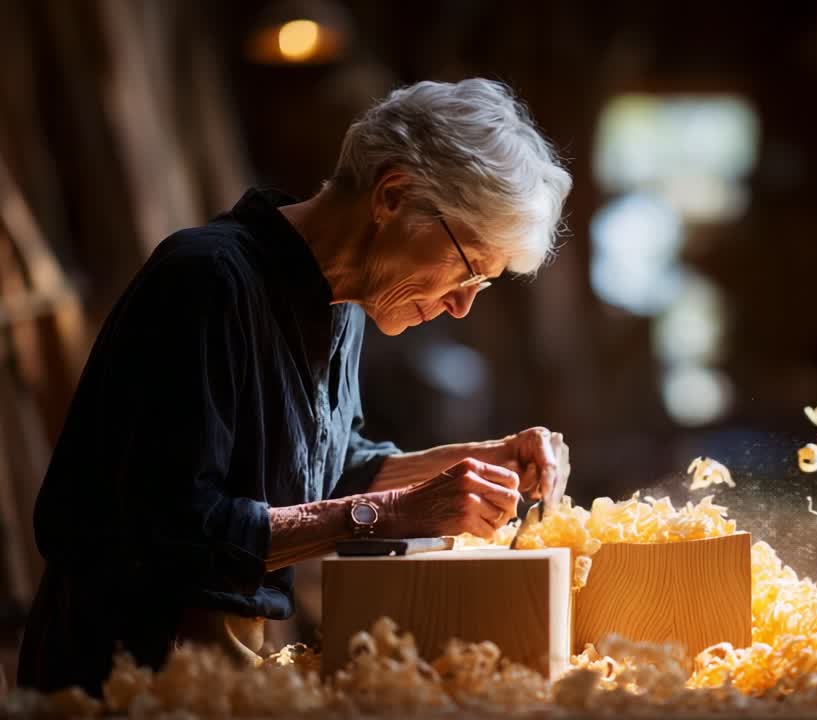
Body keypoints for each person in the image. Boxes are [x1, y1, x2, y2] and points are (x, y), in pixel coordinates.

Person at [16, 78, 572, 694]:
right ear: (393, 195)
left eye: (483, 285)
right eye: (468, 268)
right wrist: (389, 514)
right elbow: (170, 528)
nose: (462, 307)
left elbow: (335, 472)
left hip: (225, 666)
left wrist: (475, 462)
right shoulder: (206, 283)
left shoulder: (342, 307)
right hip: (121, 677)